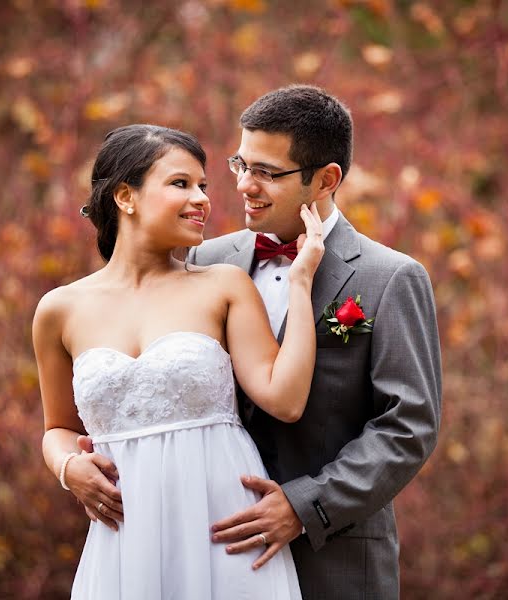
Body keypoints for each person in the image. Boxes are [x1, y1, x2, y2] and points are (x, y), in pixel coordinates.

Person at [78, 85, 442, 598]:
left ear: (326, 179)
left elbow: (408, 426)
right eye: (240, 165)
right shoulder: (205, 260)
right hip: (205, 550)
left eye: (267, 173)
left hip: (331, 556)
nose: (245, 185)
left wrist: (304, 506)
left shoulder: (388, 278)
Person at [33, 123, 325, 598]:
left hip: (224, 529)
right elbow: (57, 429)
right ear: (125, 197)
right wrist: (68, 468)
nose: (203, 199)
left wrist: (300, 281)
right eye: (180, 184)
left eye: (203, 186)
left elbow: (286, 399)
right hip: (124, 537)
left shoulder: (224, 286)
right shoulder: (59, 309)